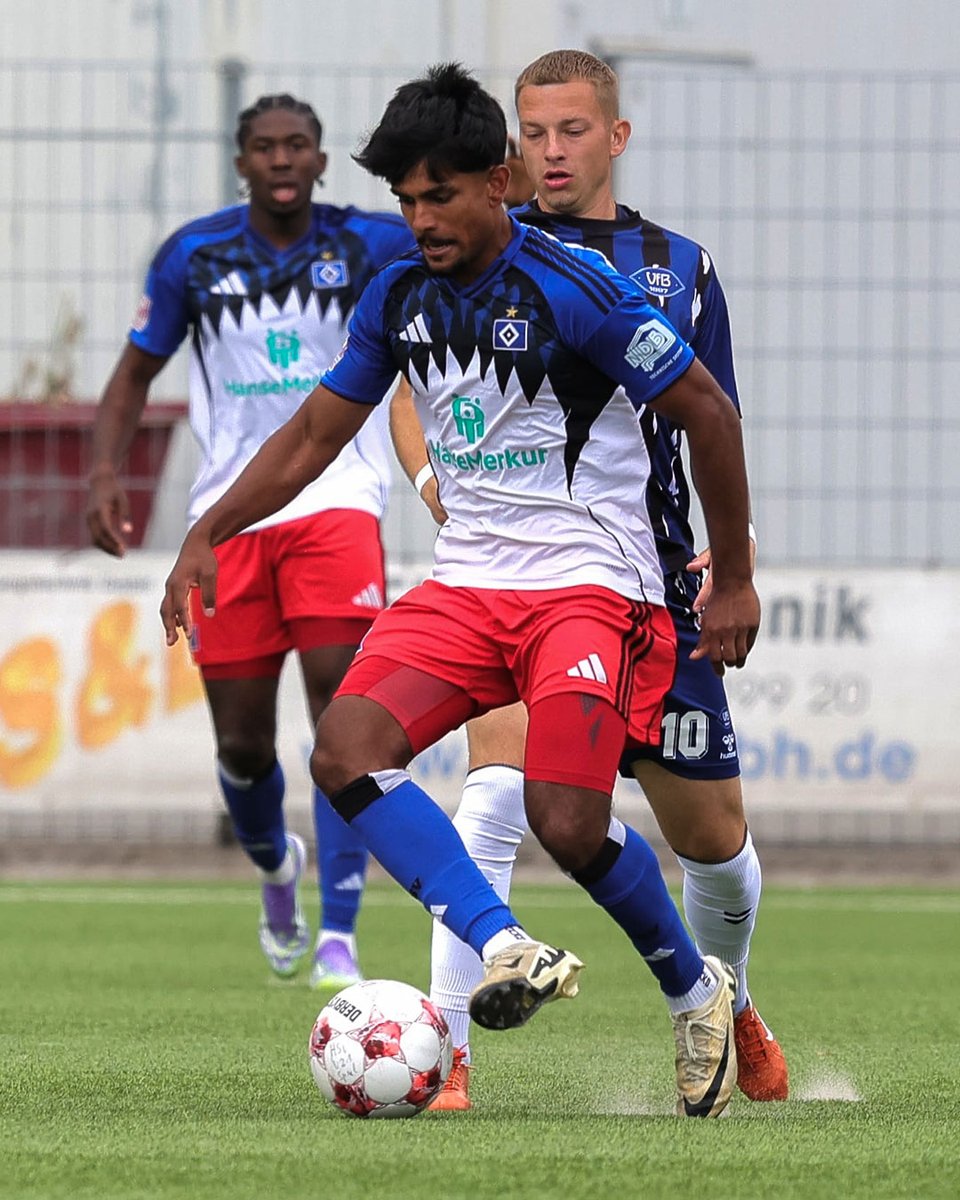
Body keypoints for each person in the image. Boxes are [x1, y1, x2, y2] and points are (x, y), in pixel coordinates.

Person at [160, 62, 761, 1118]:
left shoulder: (581, 292)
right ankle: (504, 941)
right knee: (345, 750)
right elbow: (313, 432)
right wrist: (207, 529)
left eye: (440, 195)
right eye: (405, 199)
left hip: (590, 588)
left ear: (502, 180)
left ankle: (692, 988)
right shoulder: (399, 293)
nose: (421, 218)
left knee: (569, 824)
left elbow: (708, 412)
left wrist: (736, 578)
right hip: (469, 585)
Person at [397, 50, 787, 1113]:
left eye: (572, 130)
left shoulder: (678, 265)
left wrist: (730, 564)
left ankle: (731, 1002)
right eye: (533, 131)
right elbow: (404, 377)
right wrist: (436, 475)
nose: (550, 150)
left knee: (712, 846)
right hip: (520, 579)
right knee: (495, 794)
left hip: (652, 586)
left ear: (615, 138)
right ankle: (443, 1056)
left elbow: (717, 416)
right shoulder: (471, 245)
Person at [86, 93, 414, 990]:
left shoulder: (370, 244)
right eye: (263, 146)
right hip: (227, 520)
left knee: (340, 709)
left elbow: (466, 245)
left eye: (297, 145)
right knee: (240, 744)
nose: (280, 159)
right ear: (242, 162)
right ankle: (278, 869)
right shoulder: (196, 256)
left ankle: (341, 934)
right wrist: (105, 473)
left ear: (318, 160)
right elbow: (132, 372)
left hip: (338, 503)